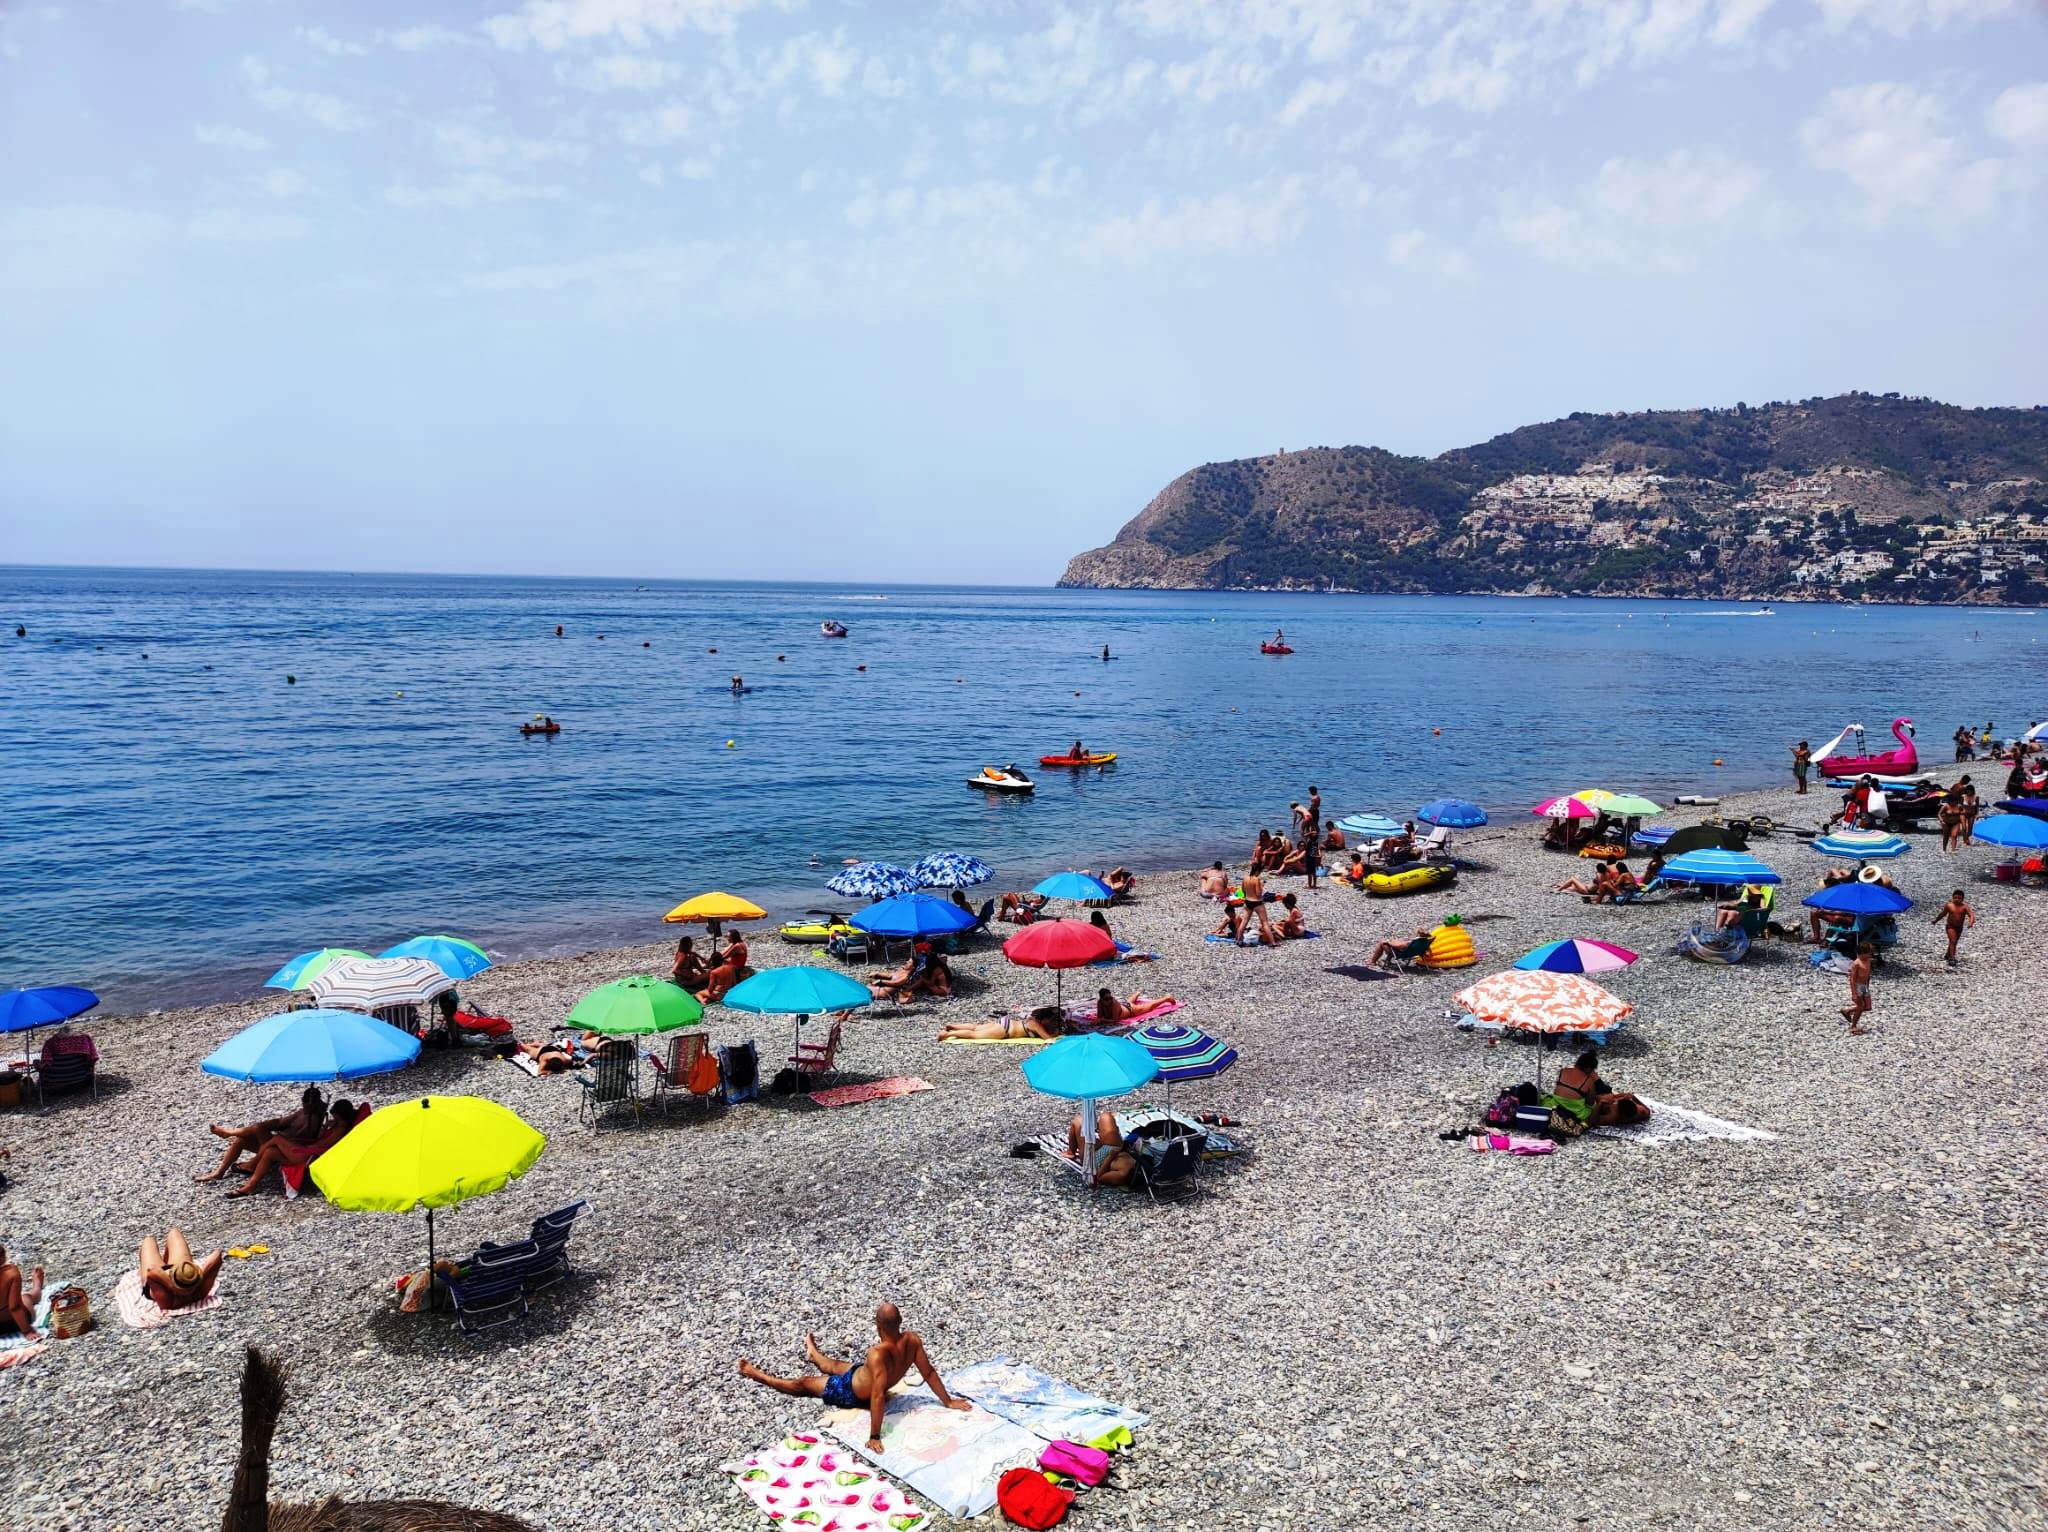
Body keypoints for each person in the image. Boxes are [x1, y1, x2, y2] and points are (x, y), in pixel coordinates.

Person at [739, 1304, 974, 1453]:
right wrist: (948, 1401)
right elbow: (929, 1372)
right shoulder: (912, 1340)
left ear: (877, 1325)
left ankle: (756, 1374)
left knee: (803, 1384)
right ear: (900, 1322)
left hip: (849, 1391)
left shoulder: (877, 1353)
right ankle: (814, 1354)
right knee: (834, 1365)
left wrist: (874, 1436)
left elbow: (877, 1395)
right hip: (861, 1373)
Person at [223, 1100, 369, 1198]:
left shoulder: (340, 1130)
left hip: (311, 1157)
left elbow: (320, 1146)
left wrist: (297, 1145)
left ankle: (251, 1164)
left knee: (277, 1139)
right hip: (308, 1153)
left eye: (336, 1118)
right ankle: (250, 1186)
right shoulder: (338, 1126)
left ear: (342, 1117)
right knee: (270, 1152)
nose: (334, 1120)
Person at [197, 1087, 326, 1183]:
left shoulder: (315, 1118)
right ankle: (219, 1172)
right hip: (277, 1143)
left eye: (307, 1102)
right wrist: (267, 1125)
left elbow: (303, 1141)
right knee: (240, 1140)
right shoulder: (302, 1112)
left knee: (258, 1128)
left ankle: (228, 1132)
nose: (304, 1104)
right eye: (303, 1101)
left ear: (314, 1103)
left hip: (285, 1149)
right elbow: (281, 1122)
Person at [1549, 1049, 1649, 1127]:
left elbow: (1593, 1120)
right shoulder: (1642, 1111)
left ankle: (1590, 1062)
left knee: (1602, 1090)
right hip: (1591, 1101)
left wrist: (1601, 1104)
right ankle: (1591, 1066)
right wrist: (1631, 1097)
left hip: (1563, 1103)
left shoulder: (1564, 1071)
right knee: (1604, 1090)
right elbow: (1590, 1104)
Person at [139, 1229, 223, 1311]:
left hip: (165, 1277)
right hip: (179, 1273)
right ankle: (168, 1264)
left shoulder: (169, 1301)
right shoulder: (200, 1291)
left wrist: (172, 1286)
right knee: (174, 1232)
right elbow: (217, 1254)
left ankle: (167, 1266)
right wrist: (201, 1274)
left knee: (148, 1241)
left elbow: (151, 1271)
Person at [938, 1005, 1068, 1042]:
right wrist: (1056, 1033)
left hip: (1005, 1022)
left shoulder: (1032, 1020)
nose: (1051, 1023)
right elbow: (1048, 1039)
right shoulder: (1036, 1024)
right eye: (1050, 1020)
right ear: (1043, 1018)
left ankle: (952, 1026)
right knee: (974, 1035)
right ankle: (948, 1034)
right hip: (1005, 1031)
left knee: (976, 1027)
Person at [695, 931, 750, 1004]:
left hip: (736, 967)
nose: (727, 938)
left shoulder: (737, 946)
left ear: (733, 937)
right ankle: (707, 967)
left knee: (699, 992)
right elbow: (723, 952)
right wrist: (712, 958)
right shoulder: (737, 943)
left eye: (728, 936)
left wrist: (712, 960)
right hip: (729, 986)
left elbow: (725, 956)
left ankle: (702, 998)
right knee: (717, 964)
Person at [0, 1243, 42, 1335]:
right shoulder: (11, 1273)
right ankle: (37, 1285)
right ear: (3, 1256)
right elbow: (14, 1307)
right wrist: (27, 1331)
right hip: (13, 1323)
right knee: (27, 1297)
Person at [1932, 889, 1976, 966]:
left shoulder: (1964, 907)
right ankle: (1952, 958)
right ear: (1952, 897)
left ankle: (1948, 954)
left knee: (1954, 942)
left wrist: (1971, 922)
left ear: (1962, 899)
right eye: (1955, 898)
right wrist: (1936, 920)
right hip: (1950, 926)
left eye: (1959, 898)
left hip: (1959, 928)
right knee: (1953, 940)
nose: (1957, 899)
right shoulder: (1949, 905)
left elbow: (1971, 915)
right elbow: (1942, 914)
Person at [1843, 940, 1875, 1035]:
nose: (1871, 954)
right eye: (1869, 952)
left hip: (1864, 986)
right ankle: (1853, 1025)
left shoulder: (1868, 961)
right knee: (1860, 1006)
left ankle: (1848, 1010)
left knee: (1868, 1007)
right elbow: (1852, 979)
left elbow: (1868, 974)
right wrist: (1854, 993)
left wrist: (1868, 986)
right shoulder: (1856, 963)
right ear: (1863, 953)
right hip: (1858, 986)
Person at [1093, 987, 1173, 1024]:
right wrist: (1099, 1019)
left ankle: (1166, 998)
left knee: (1150, 1006)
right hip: (1124, 1005)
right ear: (1102, 999)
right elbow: (1099, 1016)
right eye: (1107, 999)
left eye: (1110, 998)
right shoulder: (1100, 1002)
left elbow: (1115, 1020)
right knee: (1128, 1002)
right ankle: (1137, 993)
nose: (1109, 1000)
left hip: (1131, 1010)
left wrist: (1102, 1020)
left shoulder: (1114, 1003)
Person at [1369, 928, 1434, 970]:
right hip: (1412, 953)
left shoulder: (1410, 943)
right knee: (1394, 942)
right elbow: (1428, 951)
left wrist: (1388, 942)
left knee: (1382, 943)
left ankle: (1372, 962)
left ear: (1417, 934)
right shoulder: (1424, 942)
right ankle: (1388, 961)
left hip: (1401, 954)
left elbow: (1398, 946)